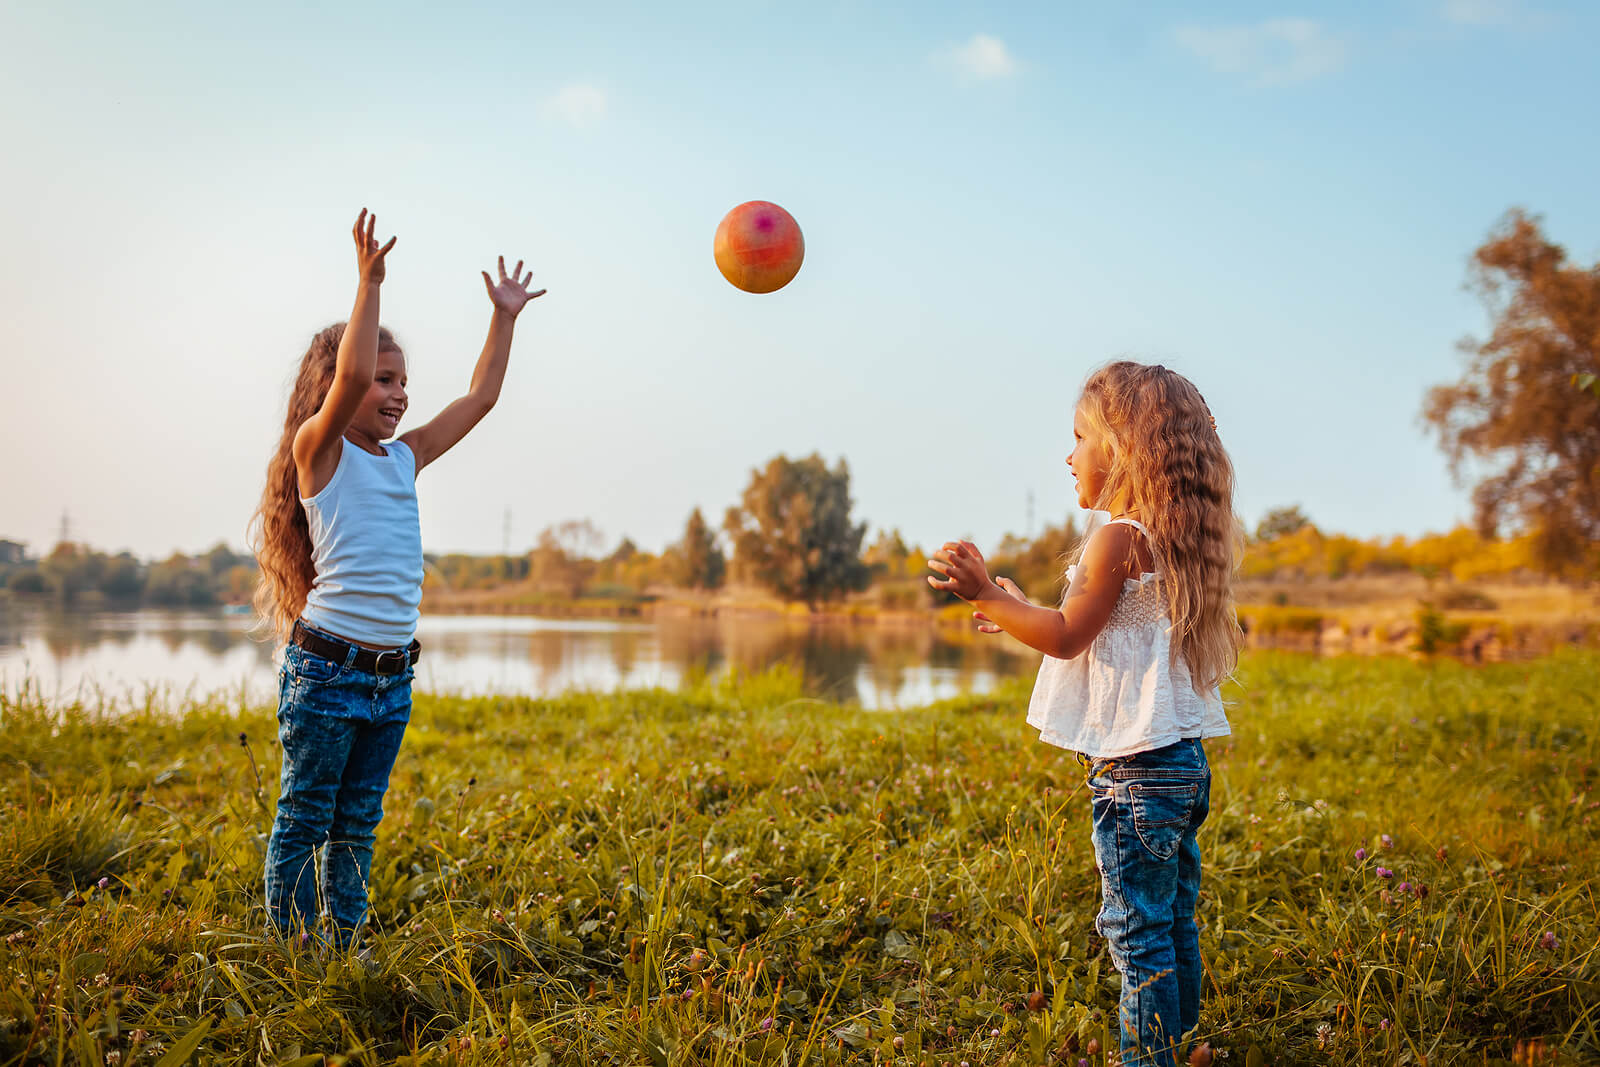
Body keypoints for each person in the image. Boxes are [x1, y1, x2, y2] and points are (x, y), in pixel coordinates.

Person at [927, 360, 1241, 1067]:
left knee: (1137, 932)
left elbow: (1068, 636)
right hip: (1182, 766)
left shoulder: (1116, 537)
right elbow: (1079, 626)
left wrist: (987, 595)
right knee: (1172, 916)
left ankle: (1150, 1058)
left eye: (1079, 437)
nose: (1067, 456)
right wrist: (1013, 610)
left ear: (1123, 447)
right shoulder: (1174, 538)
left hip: (1134, 776)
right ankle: (1181, 1044)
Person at [250, 209, 545, 949]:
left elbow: (479, 398)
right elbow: (348, 373)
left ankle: (342, 946)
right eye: (384, 380)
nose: (398, 393)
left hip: (390, 679)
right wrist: (370, 283)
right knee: (306, 815)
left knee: (357, 821)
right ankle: (288, 949)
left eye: (403, 381)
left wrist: (503, 319)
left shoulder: (404, 457)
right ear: (340, 385)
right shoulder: (319, 452)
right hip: (327, 670)